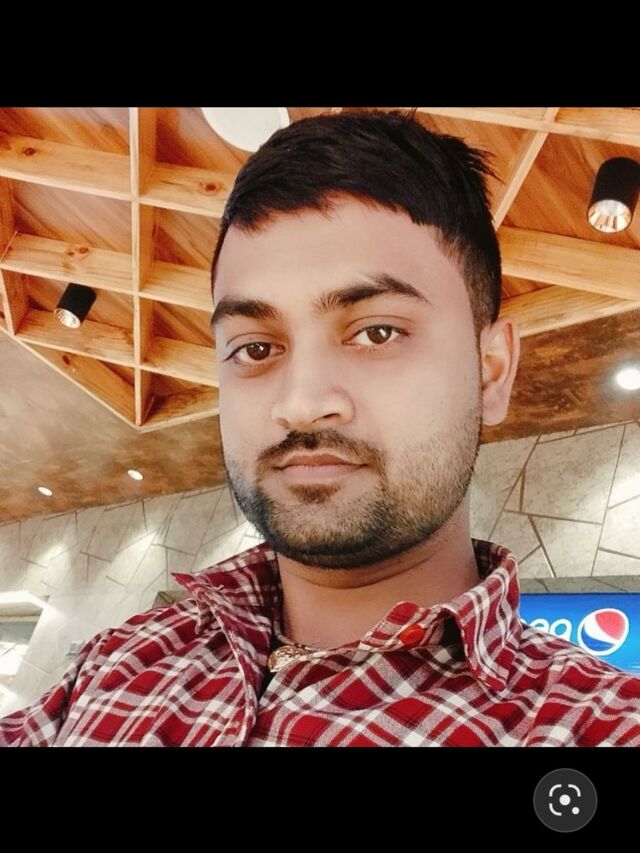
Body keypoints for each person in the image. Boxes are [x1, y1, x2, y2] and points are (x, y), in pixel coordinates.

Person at [1, 107, 639, 747]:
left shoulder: (595, 725)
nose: (301, 403)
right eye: (255, 348)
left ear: (491, 371)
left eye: (377, 332)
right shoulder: (113, 666)